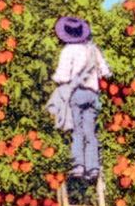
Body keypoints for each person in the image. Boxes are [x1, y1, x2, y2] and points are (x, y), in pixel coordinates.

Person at [46, 16, 112, 182]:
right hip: (93, 95)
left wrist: (55, 80)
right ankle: (93, 167)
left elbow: (62, 76)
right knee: (90, 133)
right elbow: (106, 72)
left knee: (77, 131)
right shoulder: (93, 50)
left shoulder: (69, 50)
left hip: (77, 93)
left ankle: (78, 166)